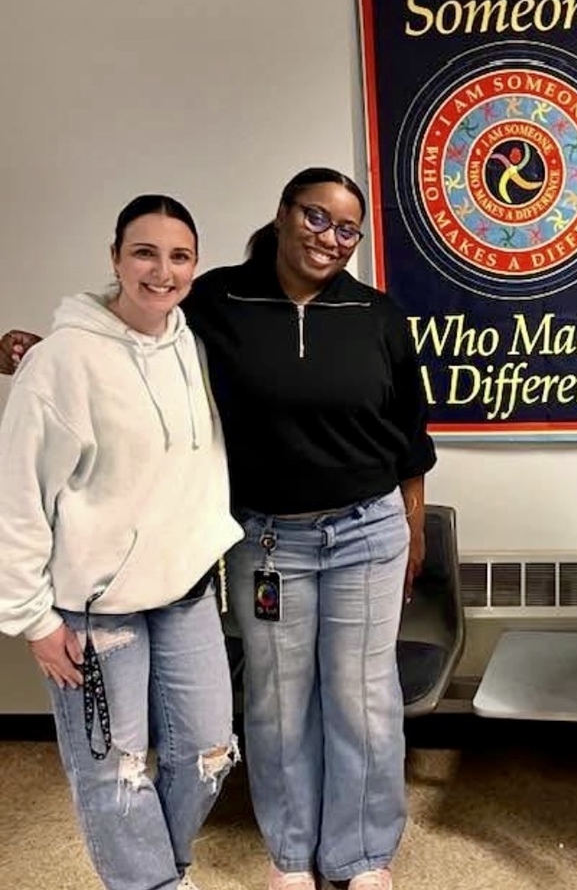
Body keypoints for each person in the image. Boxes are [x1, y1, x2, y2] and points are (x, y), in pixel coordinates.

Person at [2, 168, 436, 890]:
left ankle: (361, 857)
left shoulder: (377, 314)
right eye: (315, 216)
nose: (329, 236)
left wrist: (415, 528)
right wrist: (41, 349)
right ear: (284, 213)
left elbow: (410, 438)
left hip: (367, 531)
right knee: (275, 700)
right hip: (270, 543)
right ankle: (292, 856)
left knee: (364, 697)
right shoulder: (217, 300)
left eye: (347, 227)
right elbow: (120, 339)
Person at [0, 195, 242, 890]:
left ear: (194, 266)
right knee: (117, 770)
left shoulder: (191, 346)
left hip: (186, 594)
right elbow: (17, 498)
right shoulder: (63, 362)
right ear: (114, 257)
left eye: (179, 256)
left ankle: (162, 870)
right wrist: (34, 621)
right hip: (94, 609)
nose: (161, 271)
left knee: (208, 753)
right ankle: (153, 884)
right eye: (144, 252)